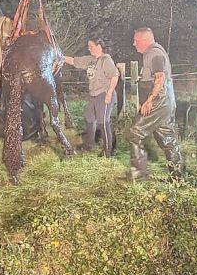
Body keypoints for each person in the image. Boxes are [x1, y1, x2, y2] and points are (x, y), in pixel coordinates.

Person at [127, 27, 182, 180]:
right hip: (166, 100)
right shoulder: (153, 53)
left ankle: (138, 176)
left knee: (134, 133)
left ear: (145, 40)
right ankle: (177, 177)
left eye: (136, 40)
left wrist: (149, 100)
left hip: (159, 100)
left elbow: (159, 78)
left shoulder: (154, 53)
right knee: (167, 138)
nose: (133, 44)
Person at [64, 37, 120, 156]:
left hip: (104, 94)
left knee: (103, 122)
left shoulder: (106, 60)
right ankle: (89, 145)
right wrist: (59, 56)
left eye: (91, 46)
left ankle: (107, 151)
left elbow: (114, 76)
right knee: (89, 118)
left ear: (99, 46)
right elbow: (74, 61)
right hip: (94, 95)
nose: (89, 49)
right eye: (88, 47)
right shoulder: (90, 60)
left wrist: (109, 93)